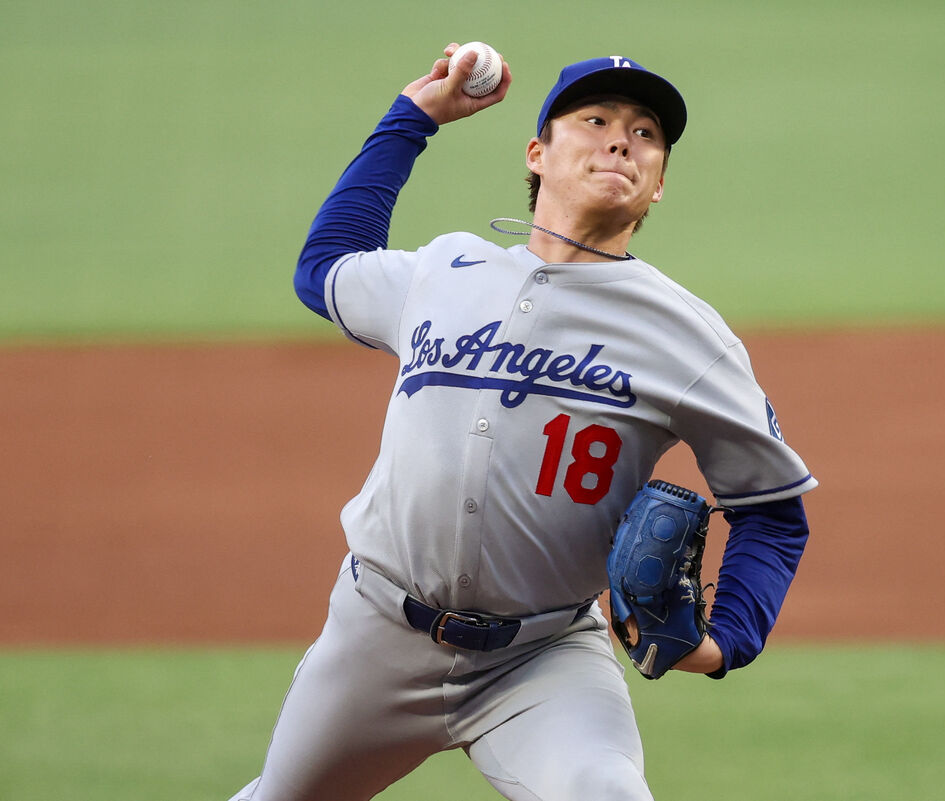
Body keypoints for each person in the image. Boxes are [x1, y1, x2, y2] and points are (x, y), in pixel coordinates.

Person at [230, 43, 817, 801]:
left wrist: (722, 643)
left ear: (659, 184)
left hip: (542, 660)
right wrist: (411, 119)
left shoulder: (690, 336)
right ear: (537, 154)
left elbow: (774, 512)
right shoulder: (444, 271)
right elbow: (324, 268)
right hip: (374, 634)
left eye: (645, 134)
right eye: (596, 120)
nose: (621, 141)